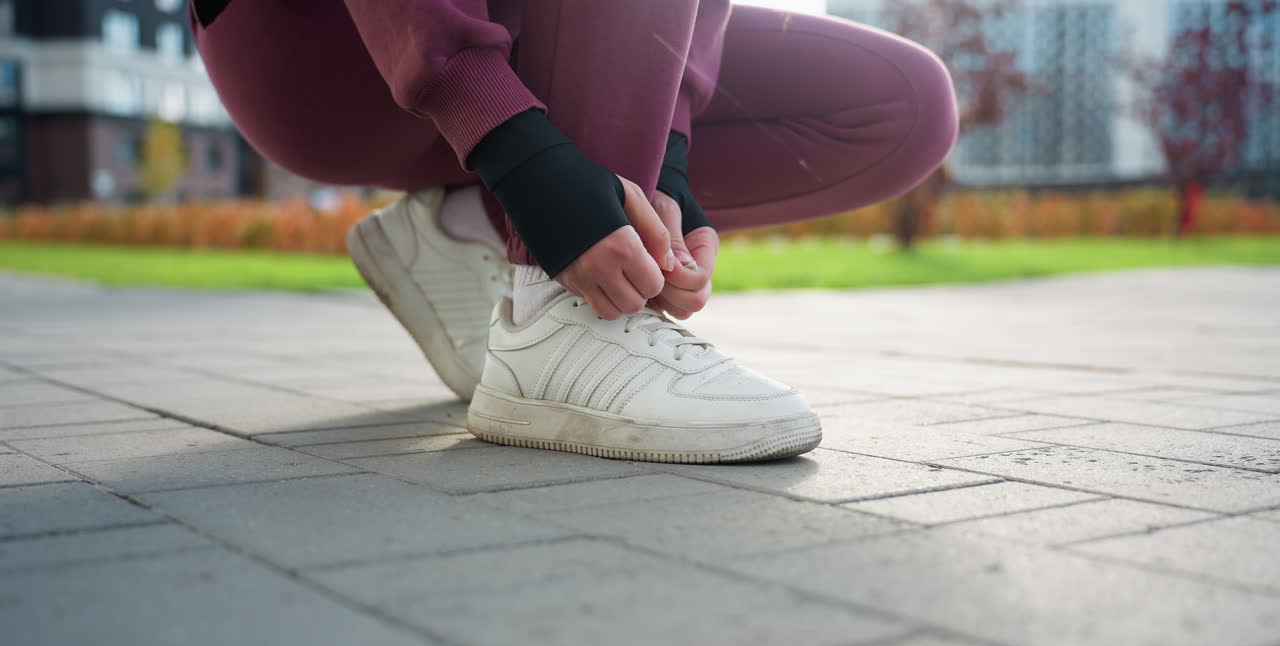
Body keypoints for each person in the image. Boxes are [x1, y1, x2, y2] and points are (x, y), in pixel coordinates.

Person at [191, 0, 958, 463]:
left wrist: (671, 161)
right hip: (329, 47)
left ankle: (465, 225)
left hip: (528, 41)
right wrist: (514, 150)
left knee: (906, 105)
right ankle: (562, 323)